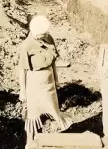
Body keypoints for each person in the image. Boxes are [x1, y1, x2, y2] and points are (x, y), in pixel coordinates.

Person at [18, 15, 73, 149]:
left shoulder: (49, 39)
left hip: (48, 84)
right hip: (34, 85)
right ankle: (30, 142)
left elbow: (53, 62)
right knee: (33, 114)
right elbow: (22, 71)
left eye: (45, 34)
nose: (44, 36)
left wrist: (56, 79)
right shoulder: (26, 46)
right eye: (41, 35)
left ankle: (51, 139)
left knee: (53, 110)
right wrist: (23, 92)